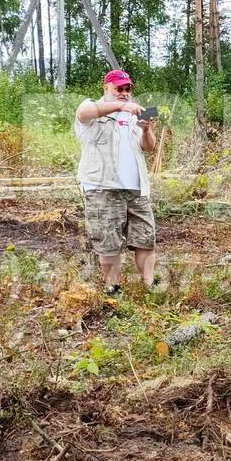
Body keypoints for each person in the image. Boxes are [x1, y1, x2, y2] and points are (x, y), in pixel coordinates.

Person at [74, 69, 158, 295]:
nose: (124, 93)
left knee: (145, 238)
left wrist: (146, 129)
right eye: (119, 88)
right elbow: (84, 112)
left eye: (127, 89)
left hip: (136, 188)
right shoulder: (93, 111)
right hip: (103, 187)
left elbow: (149, 147)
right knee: (109, 242)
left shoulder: (133, 115)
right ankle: (113, 288)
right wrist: (121, 107)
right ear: (107, 88)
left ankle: (149, 285)